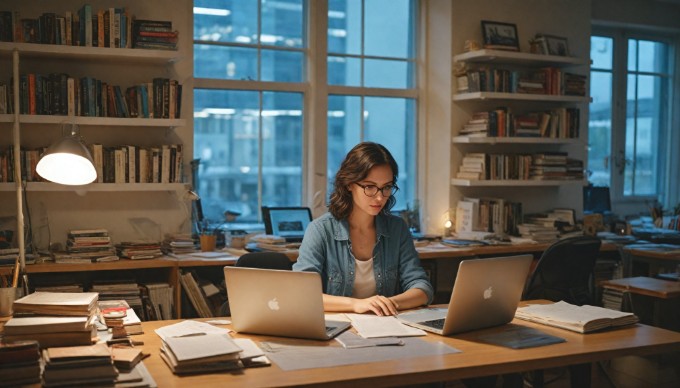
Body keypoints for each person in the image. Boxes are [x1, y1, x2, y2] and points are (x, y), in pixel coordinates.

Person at [293, 142, 433, 316]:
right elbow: (303, 294)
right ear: (349, 184)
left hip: (386, 327)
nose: (380, 197)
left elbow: (422, 287)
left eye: (387, 187)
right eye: (370, 186)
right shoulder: (320, 230)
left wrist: (386, 303)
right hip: (337, 330)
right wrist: (356, 304)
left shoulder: (397, 229)